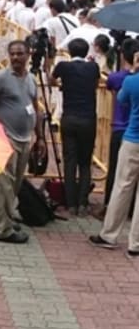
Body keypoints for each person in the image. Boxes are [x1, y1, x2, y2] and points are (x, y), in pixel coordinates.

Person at [0, 40, 46, 244]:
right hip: (6, 138)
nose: (16, 57)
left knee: (14, 184)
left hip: (25, 138)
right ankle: (3, 229)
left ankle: (0, 218)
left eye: (20, 54)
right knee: (4, 184)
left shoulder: (31, 79)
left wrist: (40, 137)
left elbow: (35, 108)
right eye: (13, 54)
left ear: (28, 55)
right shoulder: (0, 78)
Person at [51, 38, 100, 216]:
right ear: (86, 52)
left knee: (70, 160)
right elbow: (94, 85)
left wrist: (62, 86)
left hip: (69, 117)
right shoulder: (93, 67)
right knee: (85, 162)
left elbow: (51, 80)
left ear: (70, 52)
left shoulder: (64, 66)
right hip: (88, 118)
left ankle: (70, 203)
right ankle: (83, 203)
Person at [101, 39, 139, 213]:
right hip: (129, 131)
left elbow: (119, 96)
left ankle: (110, 207)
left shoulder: (119, 78)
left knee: (117, 175)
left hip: (122, 130)